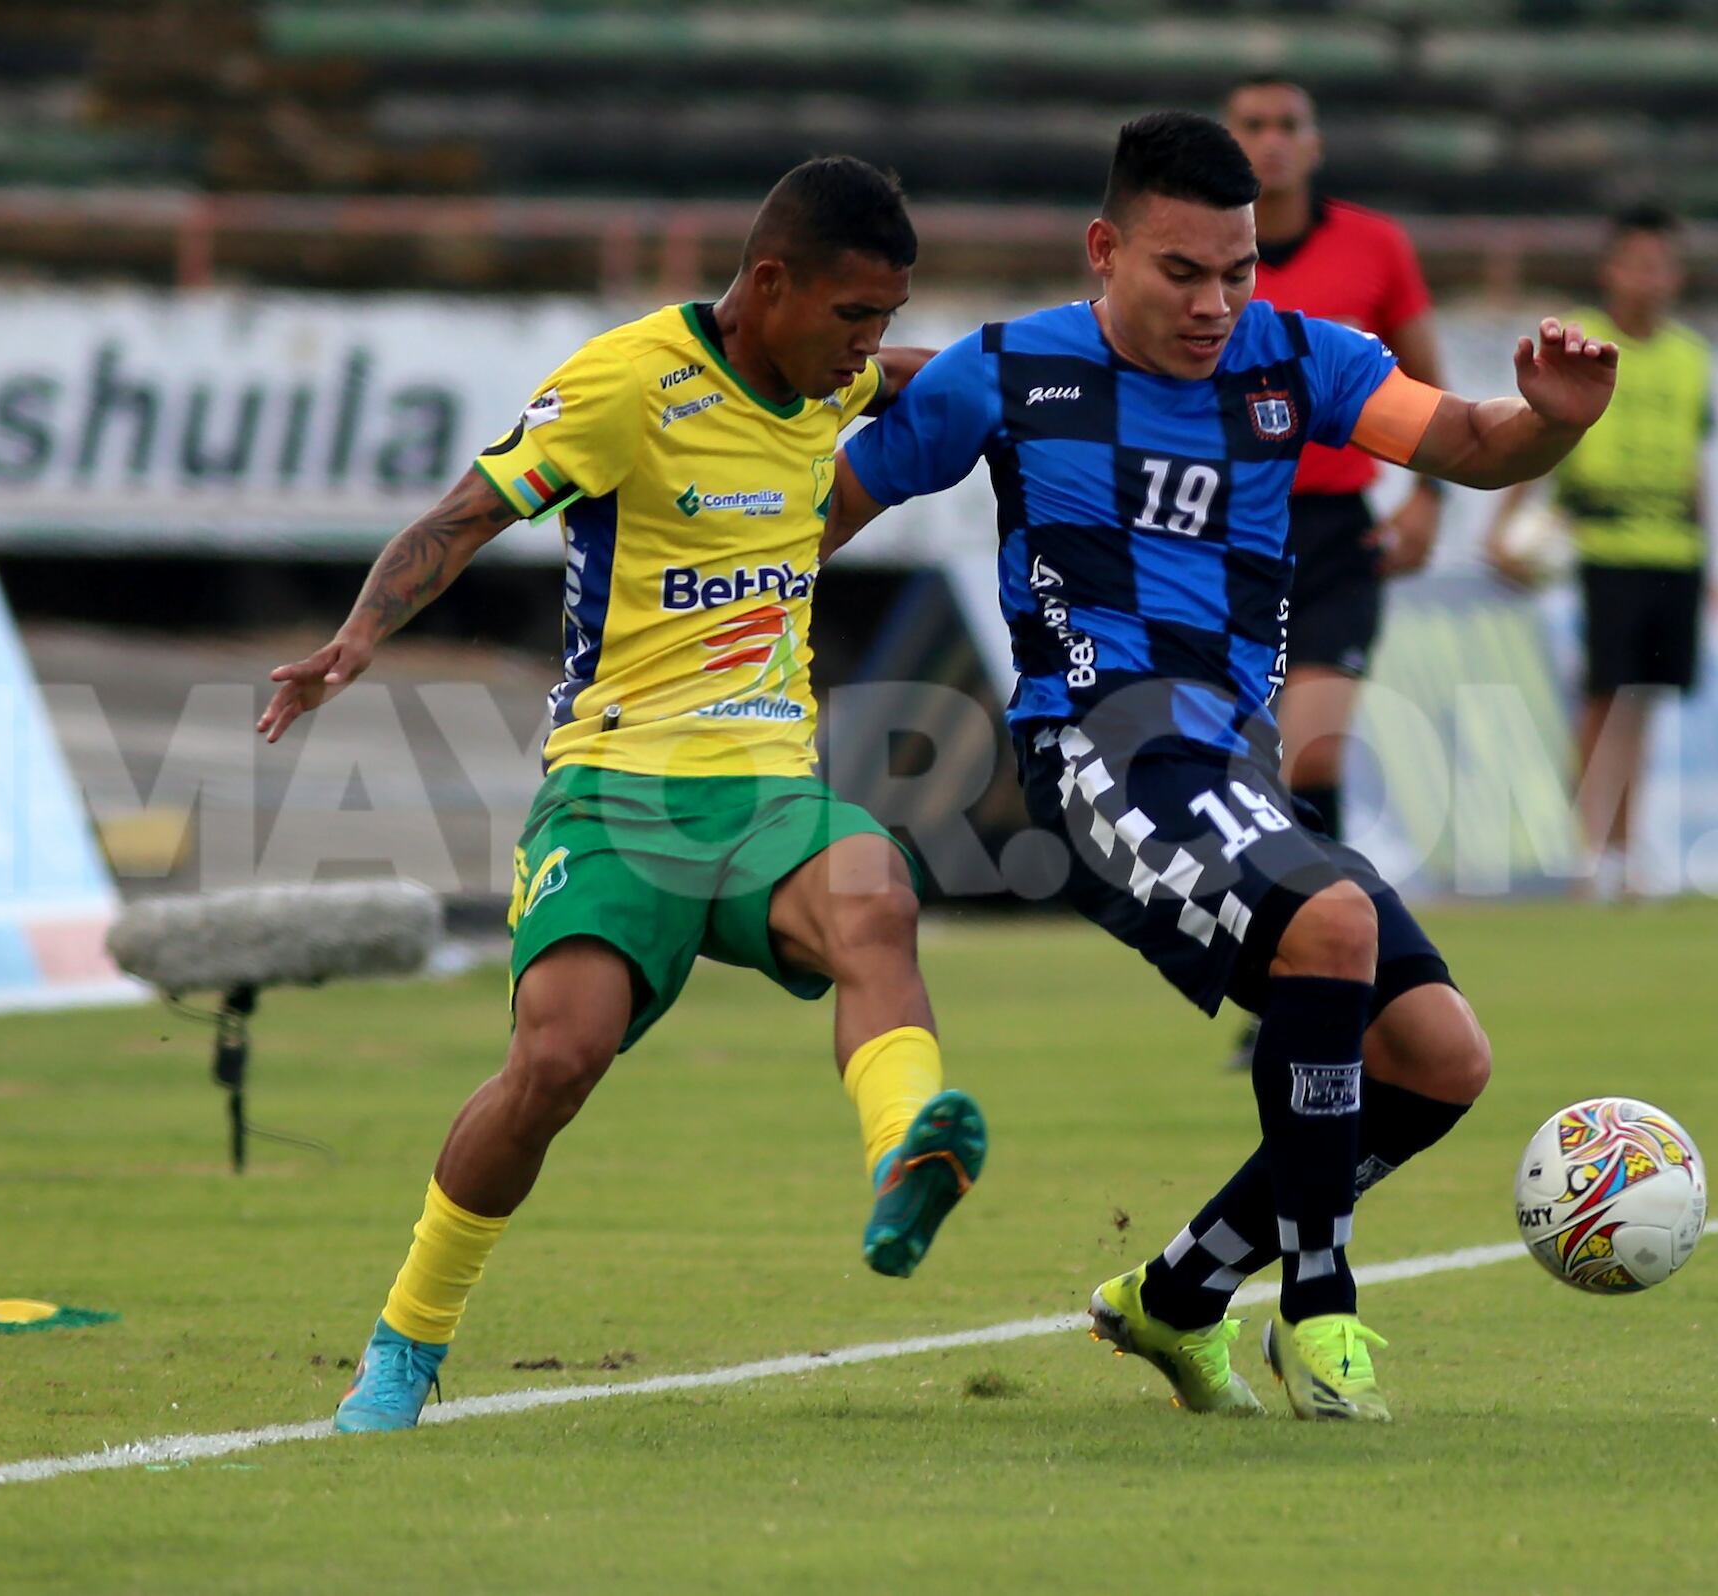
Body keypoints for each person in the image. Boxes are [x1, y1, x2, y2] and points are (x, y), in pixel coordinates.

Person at [825, 113, 1615, 1421]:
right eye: (1183, 271)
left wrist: (1551, 422)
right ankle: (1321, 1310)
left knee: (1442, 1059)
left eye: (1239, 271)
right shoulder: (1005, 375)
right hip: (1096, 749)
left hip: (1230, 765)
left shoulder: (1295, 360)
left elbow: (1474, 441)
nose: (1216, 303)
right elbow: (816, 524)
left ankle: (1179, 1295)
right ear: (1105, 250)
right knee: (1335, 920)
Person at [256, 158, 986, 1435]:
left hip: (766, 786)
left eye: (881, 321)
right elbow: (464, 513)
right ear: (769, 284)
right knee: (554, 1060)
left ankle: (906, 1158)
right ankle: (405, 1343)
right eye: (852, 317)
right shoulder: (626, 383)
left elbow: (921, 376)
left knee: (875, 892)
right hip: (616, 792)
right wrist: (358, 639)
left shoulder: (828, 375)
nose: (867, 350)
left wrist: (1028, 373)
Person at [1220, 73, 1449, 1072]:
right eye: (1252, 127)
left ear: (1315, 144)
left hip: (1330, 536)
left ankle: (1331, 982)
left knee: (1311, 758)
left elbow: (1424, 378)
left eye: (1288, 126)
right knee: (1243, 775)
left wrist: (1431, 498)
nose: (1271, 143)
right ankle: (1297, 973)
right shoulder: (1200, 258)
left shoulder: (1376, 248)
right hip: (1219, 532)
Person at [1485, 204, 1712, 900]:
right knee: (1602, 698)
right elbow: (1549, 433)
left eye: (1661, 265)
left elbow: (1696, 460)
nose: (1649, 279)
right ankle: (1585, 849)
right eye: (1636, 263)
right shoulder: (1586, 344)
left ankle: (1624, 849)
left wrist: (1713, 551)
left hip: (1673, 548)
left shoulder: (1690, 358)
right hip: (1603, 544)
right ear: (1611, 270)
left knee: (1642, 702)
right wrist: (1505, 523)